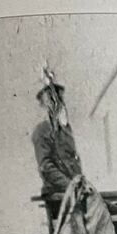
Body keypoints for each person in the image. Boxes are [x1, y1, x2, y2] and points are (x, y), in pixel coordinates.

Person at [31, 80, 83, 218]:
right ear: (43, 104)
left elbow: (73, 162)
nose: (57, 103)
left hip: (74, 192)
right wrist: (70, 186)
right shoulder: (42, 131)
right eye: (51, 99)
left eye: (59, 99)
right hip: (58, 194)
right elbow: (46, 167)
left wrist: (80, 185)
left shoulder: (65, 130)